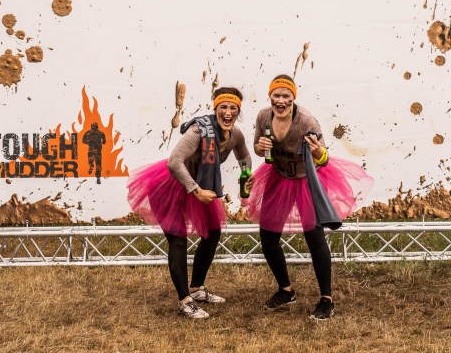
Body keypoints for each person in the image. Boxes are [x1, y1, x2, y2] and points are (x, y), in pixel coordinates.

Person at [245, 75, 373, 321]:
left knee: (314, 238)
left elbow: (323, 159)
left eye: (286, 96)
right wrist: (261, 148)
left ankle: (327, 300)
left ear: (293, 97)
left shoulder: (306, 121)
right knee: (268, 237)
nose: (281, 101)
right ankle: (286, 291)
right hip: (279, 177)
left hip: (306, 180)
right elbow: (258, 149)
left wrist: (317, 152)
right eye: (276, 95)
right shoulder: (263, 117)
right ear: (270, 96)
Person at [127, 87, 250, 319]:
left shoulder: (235, 134)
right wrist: (196, 190)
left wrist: (247, 173)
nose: (228, 112)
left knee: (212, 232)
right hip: (172, 186)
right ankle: (184, 301)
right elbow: (174, 162)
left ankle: (196, 289)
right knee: (178, 240)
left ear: (238, 111)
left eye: (233, 108)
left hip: (201, 186)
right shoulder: (199, 130)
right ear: (215, 108)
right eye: (223, 107)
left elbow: (244, 156)